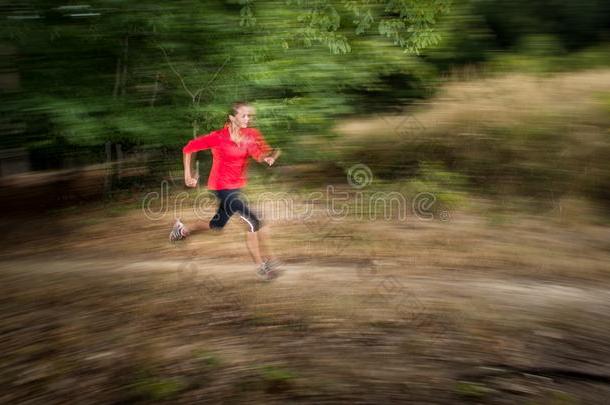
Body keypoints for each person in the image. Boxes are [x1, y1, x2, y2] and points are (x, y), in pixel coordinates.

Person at [169, 101, 281, 280]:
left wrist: (267, 158)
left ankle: (181, 230)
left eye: (249, 116)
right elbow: (188, 148)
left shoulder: (250, 135)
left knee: (216, 225)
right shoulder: (219, 137)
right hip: (221, 187)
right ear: (232, 118)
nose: (248, 119)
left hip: (236, 187)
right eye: (243, 115)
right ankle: (263, 266)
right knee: (254, 219)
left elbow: (258, 153)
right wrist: (187, 175)